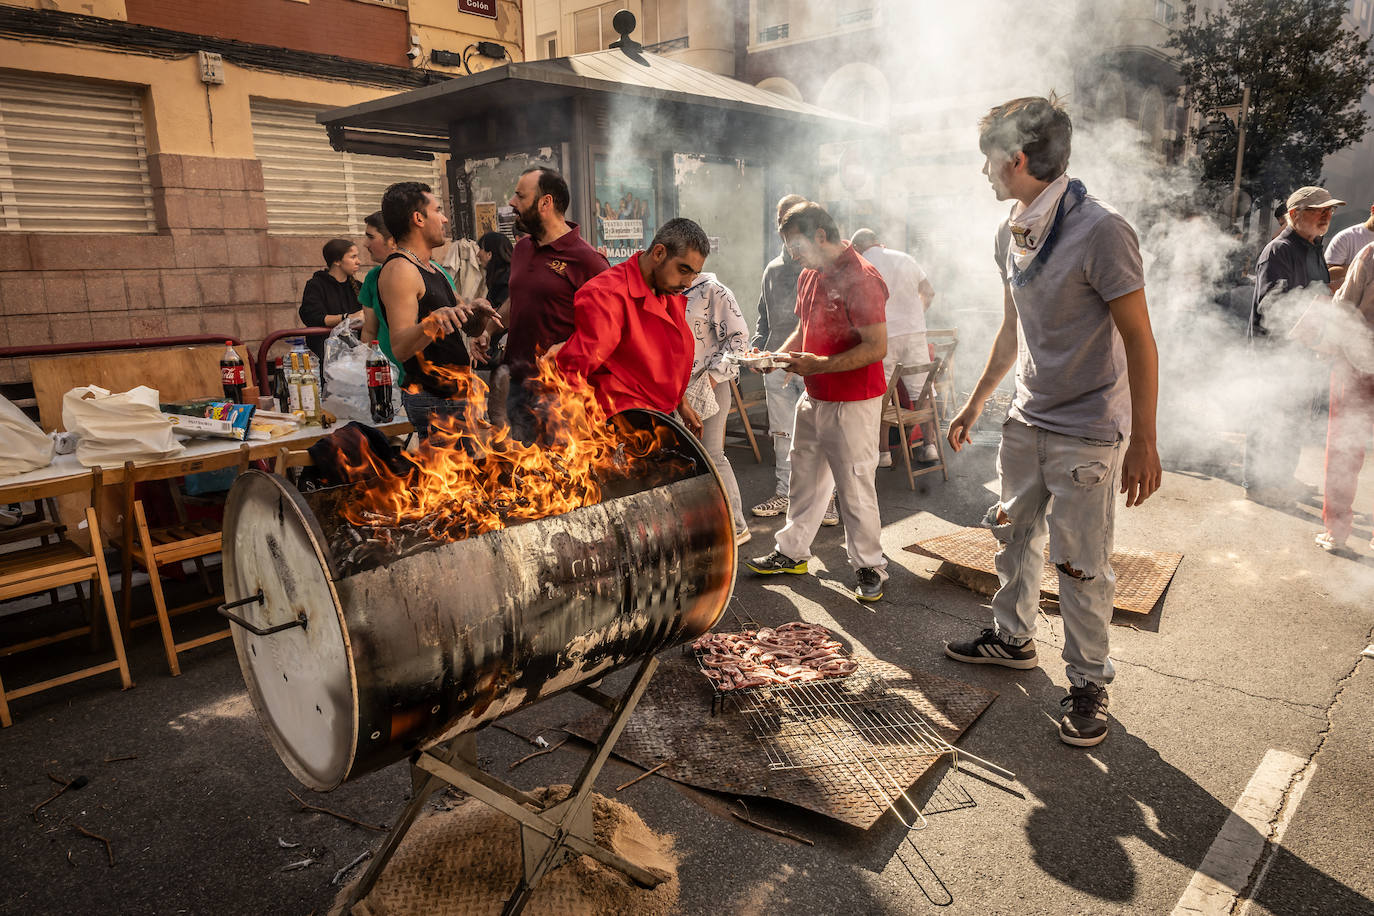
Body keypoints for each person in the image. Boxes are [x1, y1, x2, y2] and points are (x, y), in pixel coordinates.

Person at [942, 96, 1161, 749]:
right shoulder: (1009, 229)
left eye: (988, 158)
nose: (982, 171)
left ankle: (1089, 680)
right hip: (1026, 417)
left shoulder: (1102, 231)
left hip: (1089, 427)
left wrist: (1145, 439)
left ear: (1015, 158)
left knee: (1080, 563)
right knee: (1011, 535)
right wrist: (979, 398)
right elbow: (1014, 331)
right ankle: (1012, 640)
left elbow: (1141, 342)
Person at [745, 201, 890, 603]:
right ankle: (792, 551)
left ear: (821, 236)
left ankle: (869, 565)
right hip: (815, 394)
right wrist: (776, 357)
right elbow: (804, 330)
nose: (793, 254)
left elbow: (877, 347)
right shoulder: (811, 273)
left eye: (796, 245)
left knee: (855, 485)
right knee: (804, 478)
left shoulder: (862, 277)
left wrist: (820, 363)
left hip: (854, 401)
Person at [481, 167, 608, 437]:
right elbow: (516, 301)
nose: (512, 204)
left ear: (545, 202)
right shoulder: (523, 249)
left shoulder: (588, 260)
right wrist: (488, 330)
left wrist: (568, 346)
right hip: (515, 387)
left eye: (519, 196)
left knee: (560, 474)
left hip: (560, 393)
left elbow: (609, 330)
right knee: (518, 471)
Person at [552, 218, 708, 419]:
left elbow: (670, 360)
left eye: (694, 274)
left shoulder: (666, 290)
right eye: (683, 270)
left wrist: (681, 402)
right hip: (620, 424)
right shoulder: (608, 295)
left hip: (658, 416)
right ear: (659, 253)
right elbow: (573, 370)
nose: (687, 283)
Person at [1245, 186, 1345, 499]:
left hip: (1305, 350)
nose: (1327, 216)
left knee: (1294, 419)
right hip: (1276, 352)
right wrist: (1314, 305)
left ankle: (1283, 478)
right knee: (1271, 416)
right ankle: (1260, 484)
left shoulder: (1315, 247)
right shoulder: (1279, 250)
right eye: (1319, 210)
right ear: (1294, 215)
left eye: (1330, 210)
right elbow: (1272, 306)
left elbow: (1318, 292)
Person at [376, 181, 494, 439]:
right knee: (448, 480)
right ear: (418, 218)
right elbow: (400, 347)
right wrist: (433, 321)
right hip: (434, 399)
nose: (444, 219)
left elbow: (468, 325)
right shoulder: (400, 270)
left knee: (473, 477)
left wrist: (478, 313)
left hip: (457, 395)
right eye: (438, 211)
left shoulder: (435, 269)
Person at [749, 194, 838, 528]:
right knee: (782, 434)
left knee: (819, 436)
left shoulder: (819, 268)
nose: (785, 236)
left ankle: (827, 500)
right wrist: (760, 348)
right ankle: (784, 492)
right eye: (780, 223)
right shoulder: (772, 270)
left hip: (812, 363)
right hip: (778, 359)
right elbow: (763, 316)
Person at [850, 228, 939, 467]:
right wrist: (915, 316)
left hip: (883, 334)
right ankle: (929, 447)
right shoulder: (905, 258)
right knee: (921, 389)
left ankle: (883, 453)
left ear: (857, 247)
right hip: (914, 332)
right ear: (879, 242)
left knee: (883, 393)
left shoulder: (862, 263)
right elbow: (928, 292)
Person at [1314, 241, 1374, 551]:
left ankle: (1336, 530)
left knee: (1344, 449)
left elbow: (1344, 307)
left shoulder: (1370, 253)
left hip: (1358, 364)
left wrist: (1326, 349)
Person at [683, 270, 751, 544]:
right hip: (675, 388)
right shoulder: (665, 289)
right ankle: (701, 523)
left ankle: (736, 525)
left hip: (709, 384)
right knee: (684, 458)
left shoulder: (713, 290)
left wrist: (709, 380)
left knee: (711, 454)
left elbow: (739, 341)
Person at [299, 238, 363, 361]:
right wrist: (348, 318)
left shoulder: (359, 287)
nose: (358, 261)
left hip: (356, 354)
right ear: (337, 261)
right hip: (326, 356)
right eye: (353, 257)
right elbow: (312, 317)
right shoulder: (316, 285)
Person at [1324, 200, 1374, 291]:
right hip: (1346, 303)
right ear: (1373, 210)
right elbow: (1328, 274)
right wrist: (1362, 267)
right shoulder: (1346, 237)